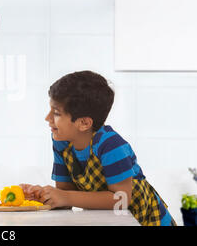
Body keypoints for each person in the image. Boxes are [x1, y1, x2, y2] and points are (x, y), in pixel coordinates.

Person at [20, 70, 176, 226]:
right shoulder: (62, 142)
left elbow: (121, 200)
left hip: (144, 221)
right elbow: (65, 195)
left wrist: (65, 197)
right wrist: (43, 196)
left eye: (56, 113)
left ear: (84, 123)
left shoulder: (111, 146)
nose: (47, 118)